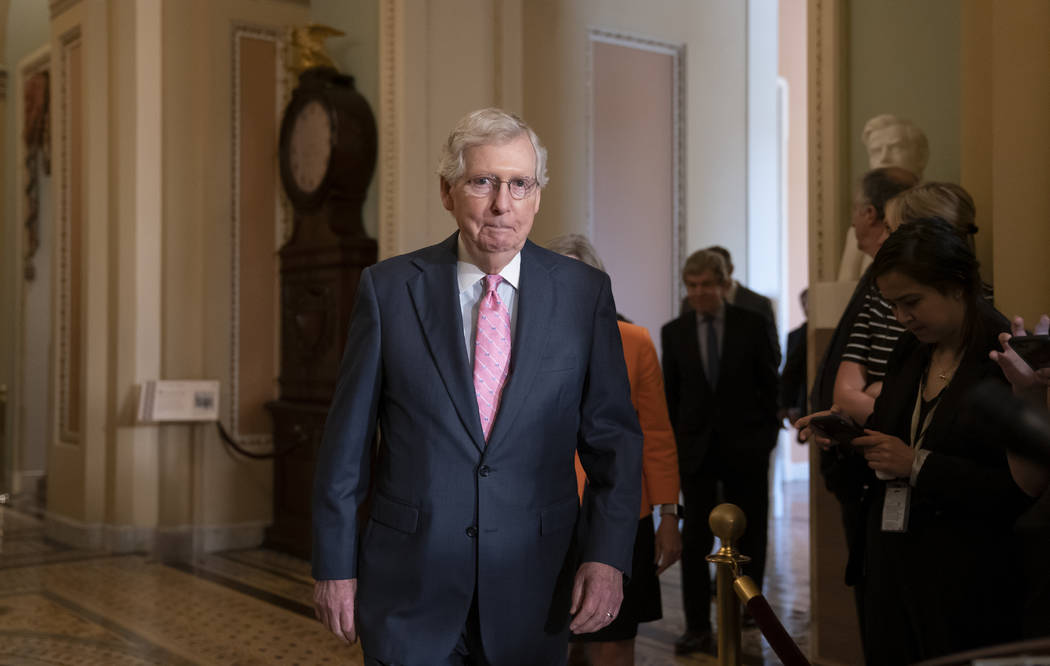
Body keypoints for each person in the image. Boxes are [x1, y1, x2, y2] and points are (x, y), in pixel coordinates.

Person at [311, 108, 643, 665]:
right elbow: (346, 446)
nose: (501, 204)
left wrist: (608, 557)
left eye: (519, 184)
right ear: (448, 191)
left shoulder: (584, 295)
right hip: (410, 589)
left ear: (536, 195)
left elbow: (614, 441)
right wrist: (334, 565)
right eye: (483, 182)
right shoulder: (388, 290)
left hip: (534, 587)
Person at [797, 219, 1032, 664]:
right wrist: (844, 431)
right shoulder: (911, 348)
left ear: (958, 286)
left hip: (965, 574)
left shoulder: (1003, 358)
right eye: (893, 305)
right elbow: (893, 436)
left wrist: (918, 465)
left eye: (911, 302)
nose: (901, 318)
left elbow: (1015, 490)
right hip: (892, 559)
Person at [546, 233, 681, 666]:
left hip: (622, 511)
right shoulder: (517, 342)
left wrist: (669, 514)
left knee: (615, 636)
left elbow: (656, 434)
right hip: (545, 509)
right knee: (550, 637)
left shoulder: (635, 341)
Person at [661, 250, 779, 656]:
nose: (699, 294)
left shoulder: (752, 324)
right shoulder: (674, 332)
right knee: (694, 541)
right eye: (692, 287)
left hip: (746, 448)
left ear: (724, 284)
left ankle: (749, 608)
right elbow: (671, 396)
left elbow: (770, 388)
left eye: (706, 286)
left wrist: (764, 441)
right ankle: (697, 626)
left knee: (750, 529)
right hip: (696, 453)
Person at [835, 182, 983, 425]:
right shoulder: (884, 299)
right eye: (894, 305)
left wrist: (882, 395)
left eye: (890, 229)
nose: (902, 316)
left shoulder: (974, 318)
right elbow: (844, 393)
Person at [778, 289, 808, 429]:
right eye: (804, 303)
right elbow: (790, 370)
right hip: (799, 400)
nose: (806, 307)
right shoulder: (795, 335)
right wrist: (786, 404)